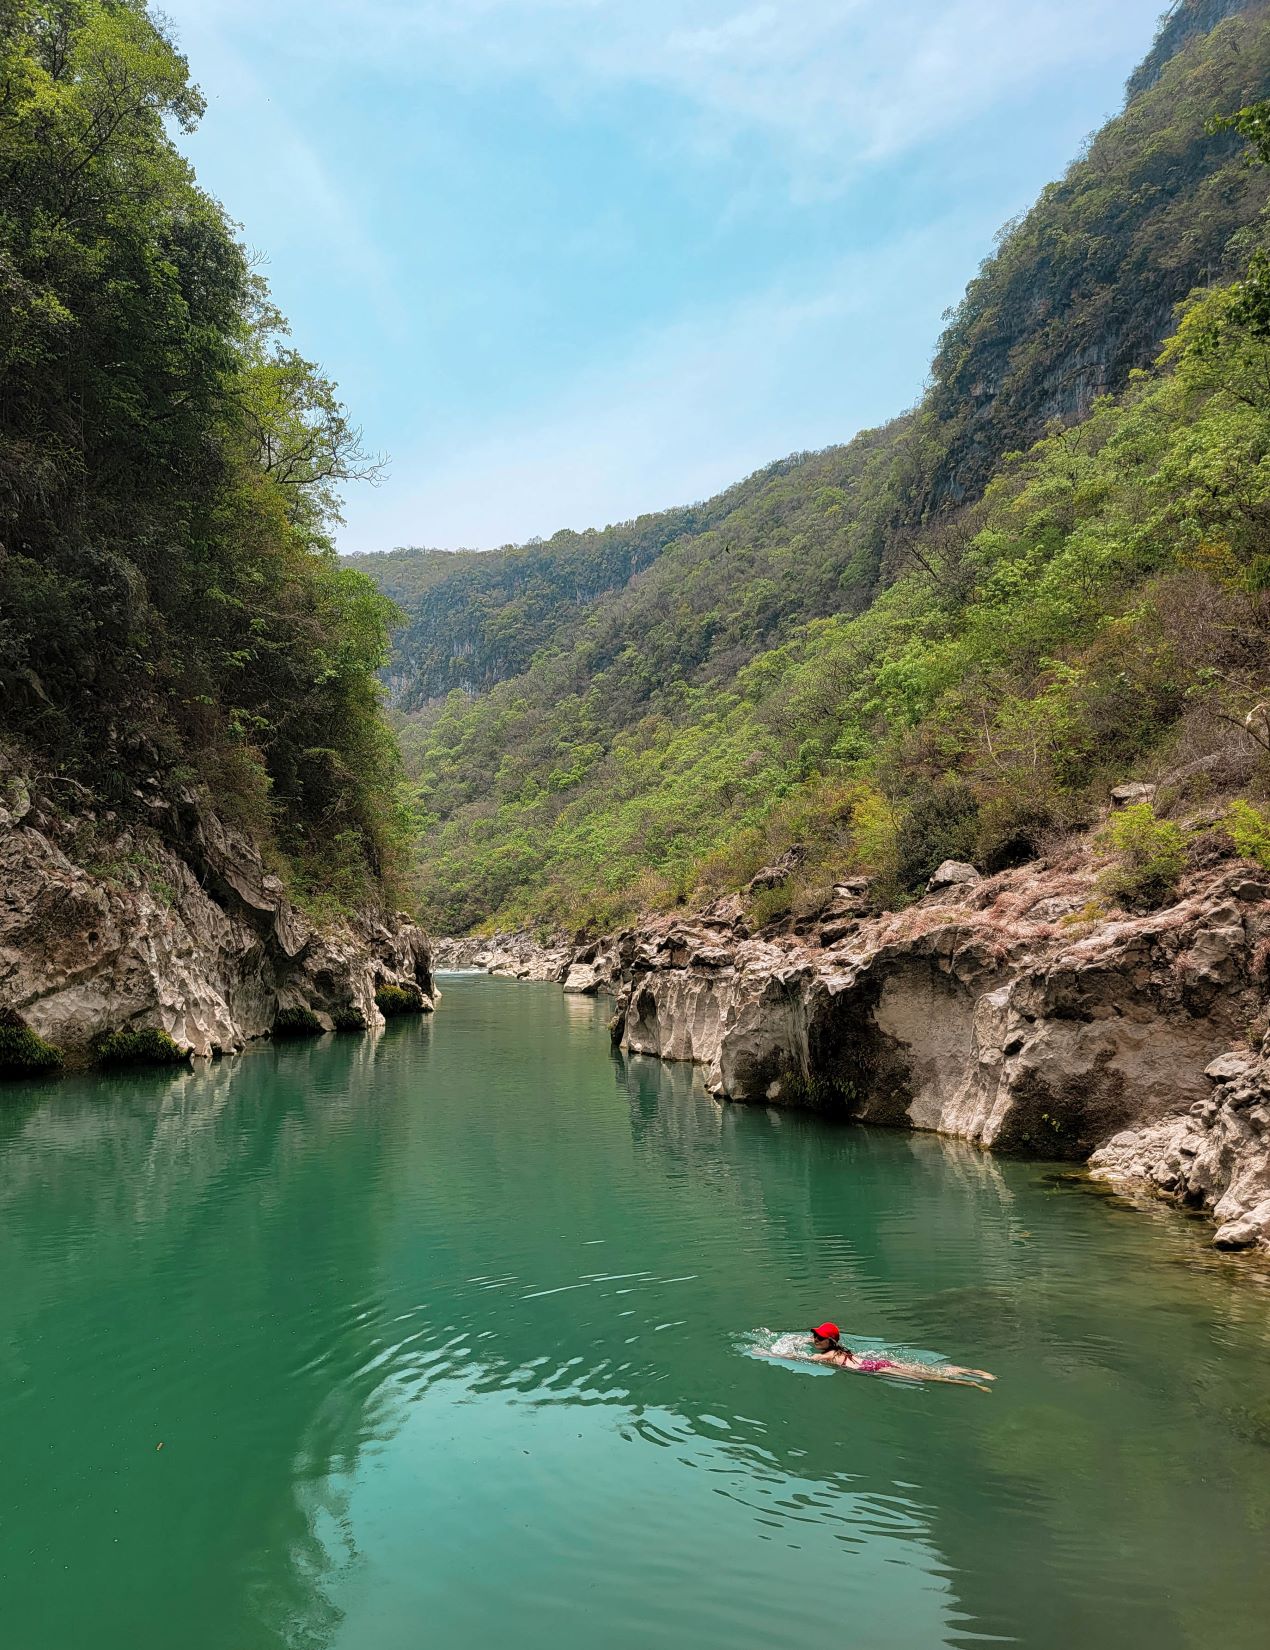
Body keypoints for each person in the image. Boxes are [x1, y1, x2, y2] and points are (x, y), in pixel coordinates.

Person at [761, 1322, 996, 1391]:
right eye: (814, 1336)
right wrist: (804, 1340)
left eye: (819, 1338)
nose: (815, 1340)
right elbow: (810, 1346)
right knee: (925, 1369)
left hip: (876, 1369)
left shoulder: (827, 1356)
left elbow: (800, 1360)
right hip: (878, 1362)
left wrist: (767, 1353)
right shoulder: (838, 1349)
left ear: (830, 1342)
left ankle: (970, 1383)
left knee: (927, 1377)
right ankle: (971, 1371)